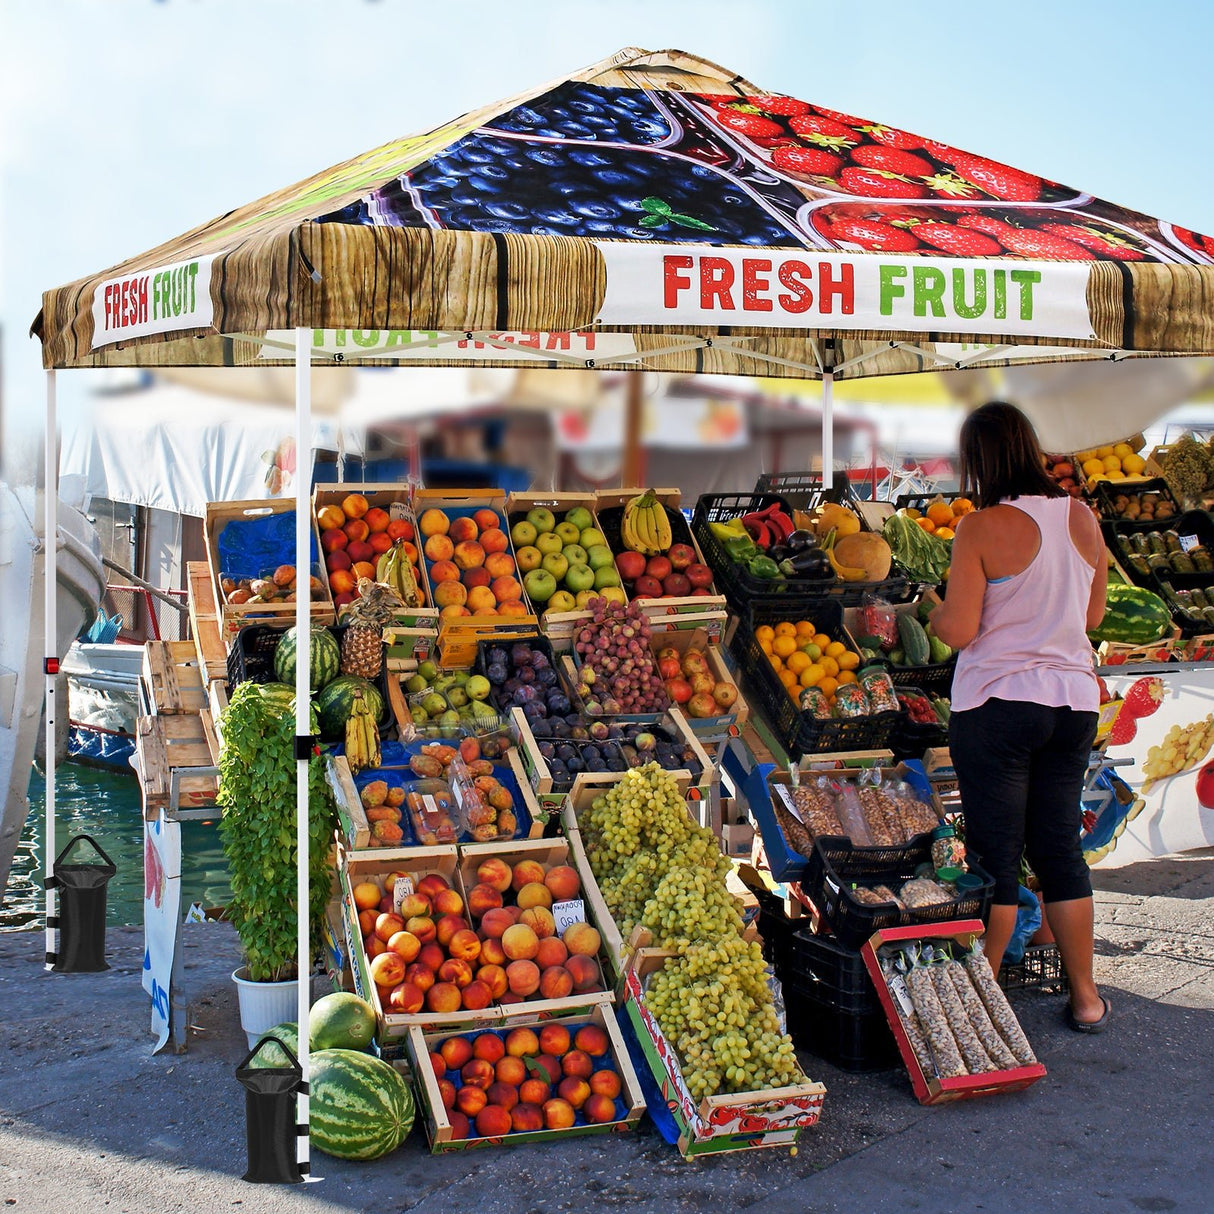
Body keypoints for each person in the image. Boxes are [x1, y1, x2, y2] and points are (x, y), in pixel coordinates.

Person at [931, 401, 1110, 1033]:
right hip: (1072, 703)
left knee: (997, 855)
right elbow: (1091, 620)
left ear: (980, 461)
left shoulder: (982, 527)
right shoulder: (1082, 518)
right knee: (1060, 850)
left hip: (1000, 704)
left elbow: (958, 628)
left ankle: (986, 999)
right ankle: (1086, 997)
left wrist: (931, 611)